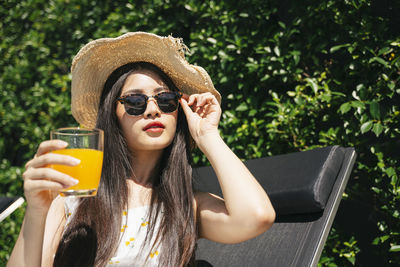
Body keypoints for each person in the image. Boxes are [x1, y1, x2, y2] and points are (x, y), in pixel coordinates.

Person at [7, 32, 275, 267]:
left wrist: (208, 136)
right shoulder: (72, 199)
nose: (152, 109)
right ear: (113, 116)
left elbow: (256, 216)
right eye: (135, 100)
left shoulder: (186, 206)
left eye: (166, 99)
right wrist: (37, 211)